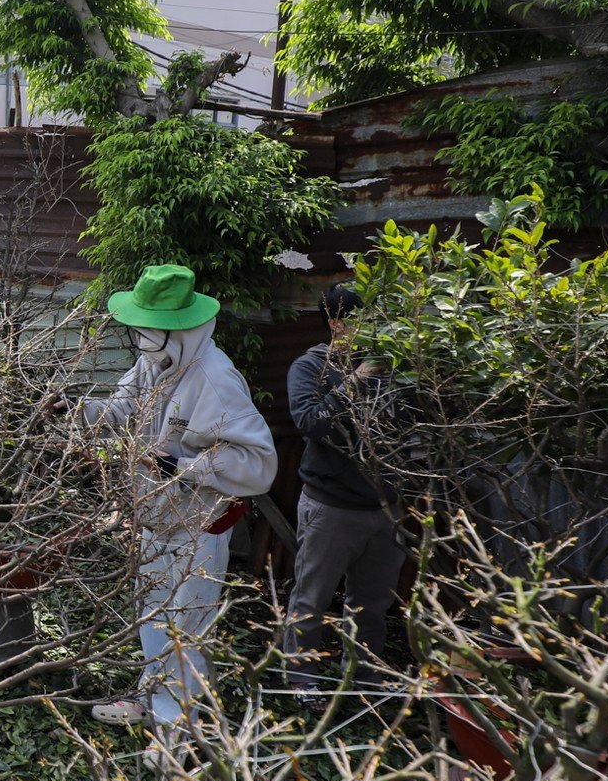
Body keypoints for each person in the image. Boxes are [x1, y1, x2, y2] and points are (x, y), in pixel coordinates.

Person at [78, 264, 278, 729]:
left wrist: (181, 468)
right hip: (157, 515)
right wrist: (78, 410)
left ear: (177, 329)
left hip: (199, 526)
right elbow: (125, 407)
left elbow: (258, 463)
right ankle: (157, 702)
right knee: (153, 613)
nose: (140, 337)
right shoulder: (156, 360)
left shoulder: (214, 379)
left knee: (183, 627)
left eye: (148, 330)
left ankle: (179, 732)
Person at [282, 283, 401, 691]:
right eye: (362, 322)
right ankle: (301, 682)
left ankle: (367, 680)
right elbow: (311, 423)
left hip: (386, 507)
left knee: (372, 605)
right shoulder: (310, 366)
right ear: (336, 323)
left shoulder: (396, 366)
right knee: (311, 601)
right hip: (330, 506)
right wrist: (356, 380)